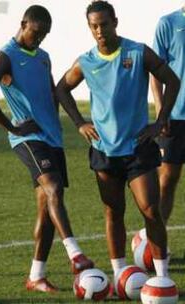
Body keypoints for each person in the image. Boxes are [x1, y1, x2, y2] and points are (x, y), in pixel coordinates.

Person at [55, 0, 180, 282]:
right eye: (94, 26)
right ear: (90, 27)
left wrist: (160, 121)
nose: (100, 31)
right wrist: (80, 122)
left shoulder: (137, 52)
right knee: (113, 212)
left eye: (104, 24)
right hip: (104, 150)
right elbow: (62, 89)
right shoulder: (86, 61)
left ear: (115, 22)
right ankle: (120, 274)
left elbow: (172, 80)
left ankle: (161, 276)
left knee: (150, 210)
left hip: (138, 148)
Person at [0, 5, 94, 293]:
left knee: (47, 210)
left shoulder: (43, 58)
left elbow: (50, 94)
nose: (39, 38)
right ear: (23, 24)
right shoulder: (5, 56)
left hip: (52, 138)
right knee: (53, 186)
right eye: (36, 32)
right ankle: (75, 255)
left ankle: (36, 276)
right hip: (27, 139)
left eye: (44, 35)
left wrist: (60, 123)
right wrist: (12, 127)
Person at [151, 5, 185, 225]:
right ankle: (157, 243)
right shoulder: (168, 23)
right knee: (166, 181)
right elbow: (155, 72)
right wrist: (161, 112)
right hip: (175, 116)